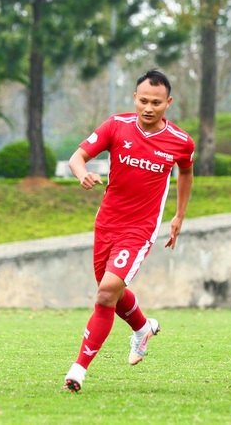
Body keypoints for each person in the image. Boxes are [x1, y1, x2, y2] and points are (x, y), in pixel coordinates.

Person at [64, 69, 195, 392]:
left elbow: (186, 174)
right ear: (135, 99)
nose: (148, 108)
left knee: (107, 292)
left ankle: (78, 370)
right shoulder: (116, 126)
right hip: (106, 223)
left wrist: (178, 216)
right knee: (112, 292)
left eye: (156, 102)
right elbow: (77, 157)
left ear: (168, 103)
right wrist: (82, 174)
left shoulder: (180, 142)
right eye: (143, 101)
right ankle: (142, 328)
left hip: (140, 229)